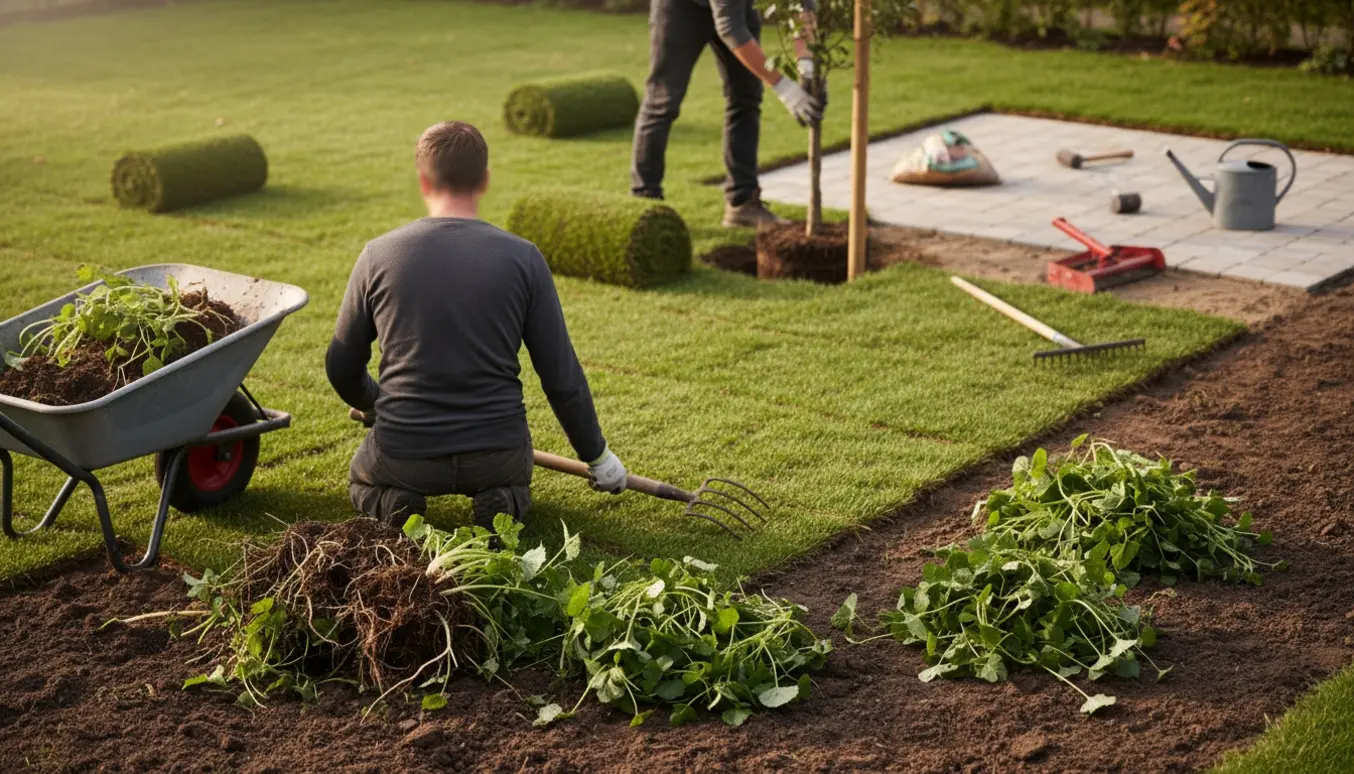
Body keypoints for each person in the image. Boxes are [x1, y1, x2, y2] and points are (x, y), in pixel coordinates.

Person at [326, 120, 628, 528]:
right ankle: (504, 500)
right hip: (499, 457)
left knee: (364, 480)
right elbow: (561, 377)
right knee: (510, 484)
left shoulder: (377, 255)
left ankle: (393, 500)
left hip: (405, 454)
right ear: (484, 180)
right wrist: (598, 456)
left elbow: (341, 364)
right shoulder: (525, 258)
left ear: (423, 182)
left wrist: (371, 402)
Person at [631, 0, 823, 228]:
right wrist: (783, 87)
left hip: (736, 8)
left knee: (746, 96)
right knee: (662, 102)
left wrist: (807, 65)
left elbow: (802, 6)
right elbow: (730, 29)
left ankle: (742, 203)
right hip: (680, 9)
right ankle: (645, 205)